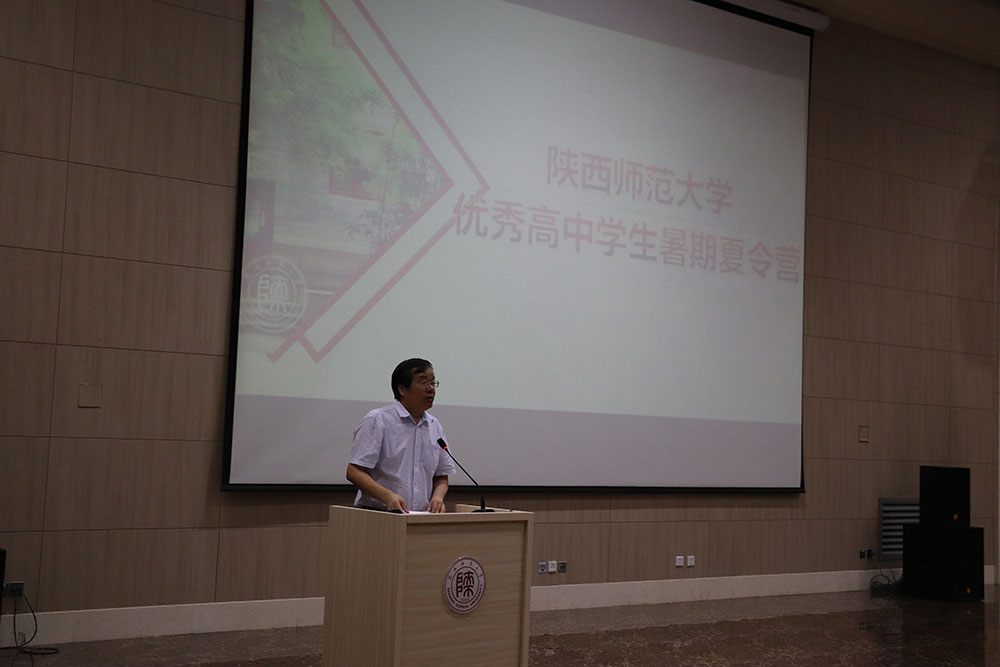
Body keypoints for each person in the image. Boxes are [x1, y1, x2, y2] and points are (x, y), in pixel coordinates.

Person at [346, 358, 455, 513]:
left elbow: (441, 476)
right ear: (402, 389)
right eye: (423, 382)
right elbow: (354, 472)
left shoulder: (434, 425)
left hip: (419, 517)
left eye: (433, 383)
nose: (431, 389)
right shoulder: (378, 420)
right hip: (380, 514)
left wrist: (438, 498)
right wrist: (388, 496)